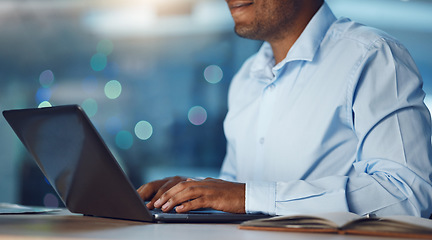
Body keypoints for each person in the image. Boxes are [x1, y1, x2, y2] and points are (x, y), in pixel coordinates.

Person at [137, 0, 432, 218]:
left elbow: (407, 194)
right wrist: (191, 194)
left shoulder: (373, 57)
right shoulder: (246, 78)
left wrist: (249, 195)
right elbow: (237, 195)